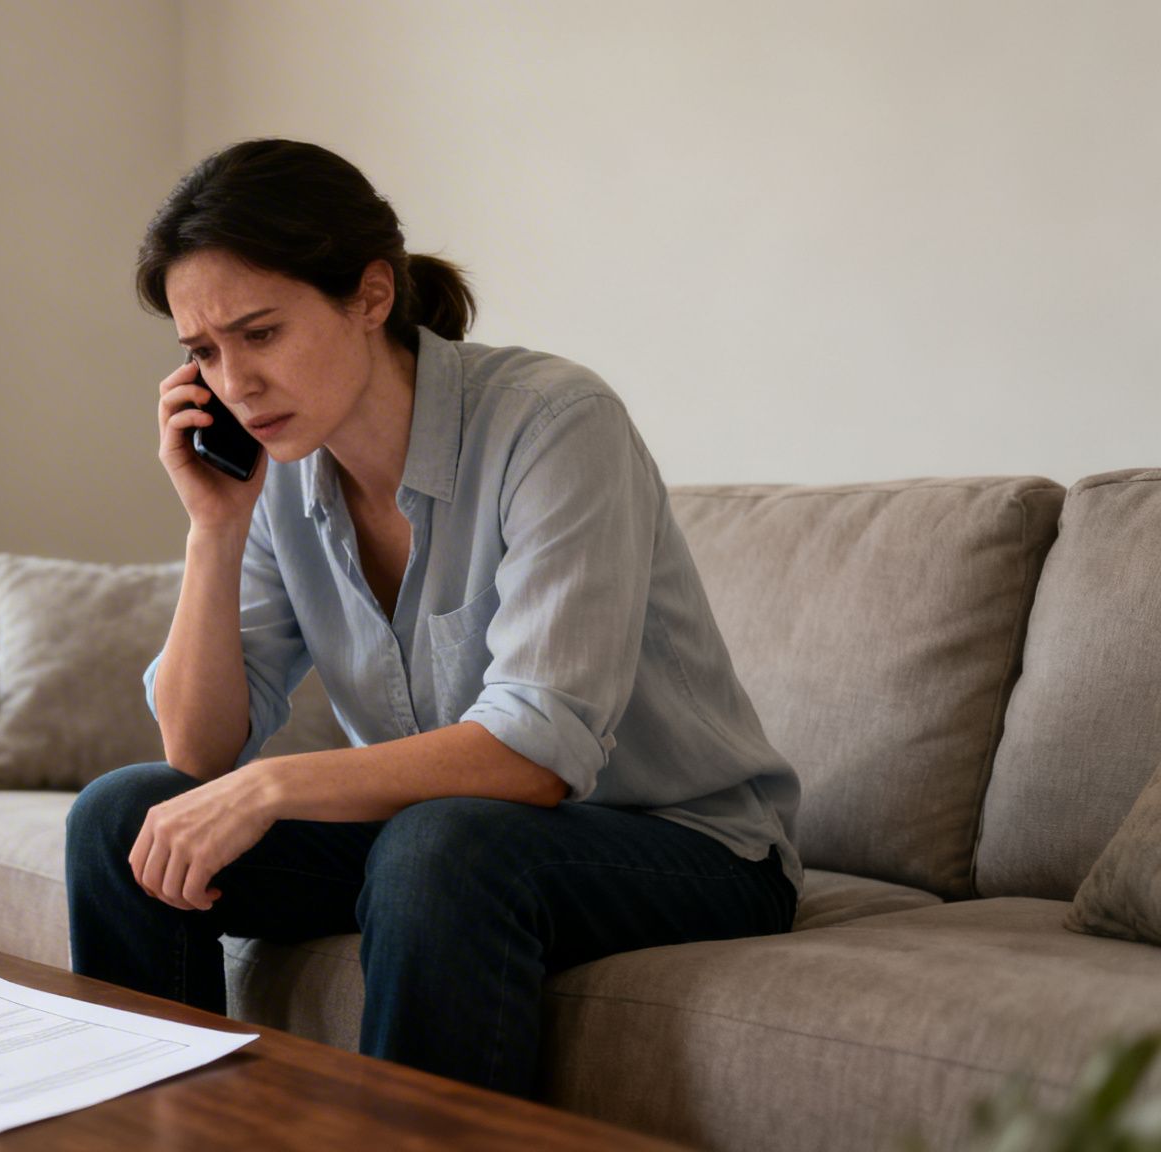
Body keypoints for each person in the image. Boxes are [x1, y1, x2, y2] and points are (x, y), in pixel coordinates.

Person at [65, 138, 803, 1097]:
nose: (234, 383)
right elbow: (200, 752)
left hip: (685, 847)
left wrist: (274, 786)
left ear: (370, 297)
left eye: (261, 333)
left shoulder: (554, 423)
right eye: (204, 351)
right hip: (444, 833)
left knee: (442, 845)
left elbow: (536, 753)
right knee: (123, 817)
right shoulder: (283, 472)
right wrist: (214, 525)